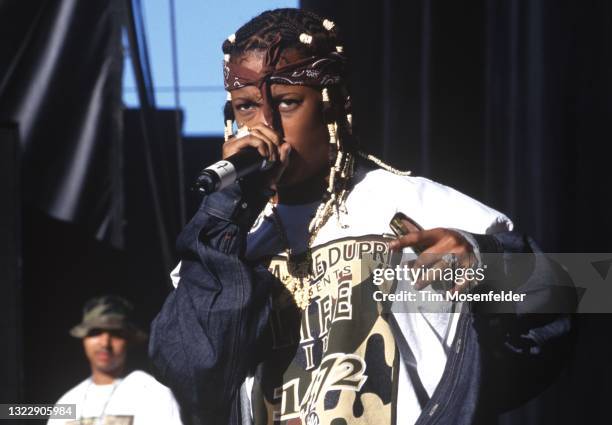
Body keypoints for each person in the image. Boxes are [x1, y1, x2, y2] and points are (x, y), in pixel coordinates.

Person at [149, 8, 574, 425]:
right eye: (245, 108)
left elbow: (576, 295)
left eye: (288, 102)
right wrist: (225, 218)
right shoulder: (230, 243)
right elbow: (191, 373)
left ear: (335, 105)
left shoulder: (421, 206)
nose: (266, 126)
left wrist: (487, 266)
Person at [48, 295, 183, 425]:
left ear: (129, 341)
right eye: (96, 332)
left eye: (116, 334)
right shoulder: (68, 402)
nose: (105, 343)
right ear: (84, 339)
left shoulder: (153, 394)